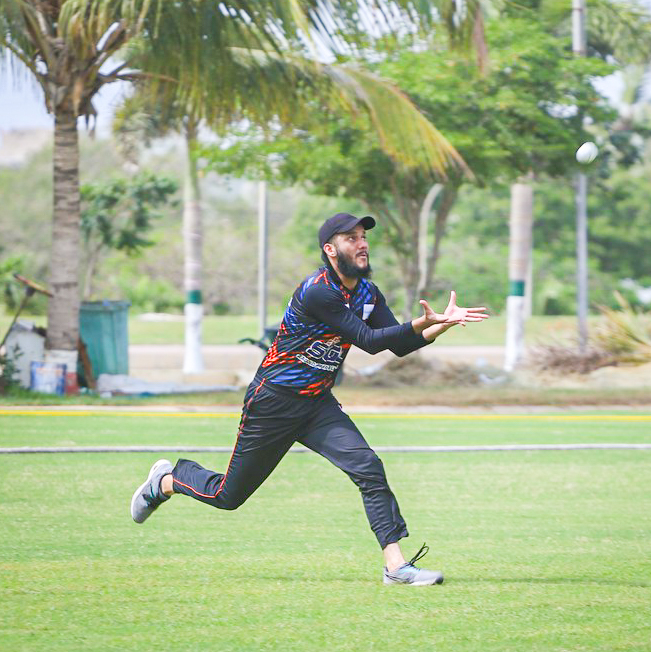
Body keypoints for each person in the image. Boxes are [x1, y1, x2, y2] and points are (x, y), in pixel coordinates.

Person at [130, 212, 488, 586]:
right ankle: (167, 481)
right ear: (330, 250)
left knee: (368, 467)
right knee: (228, 496)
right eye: (351, 238)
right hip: (273, 402)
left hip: (317, 404)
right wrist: (421, 322)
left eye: (364, 237)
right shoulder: (319, 291)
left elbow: (397, 345)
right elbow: (368, 341)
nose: (362, 244)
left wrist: (438, 326)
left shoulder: (368, 293)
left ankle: (396, 567)